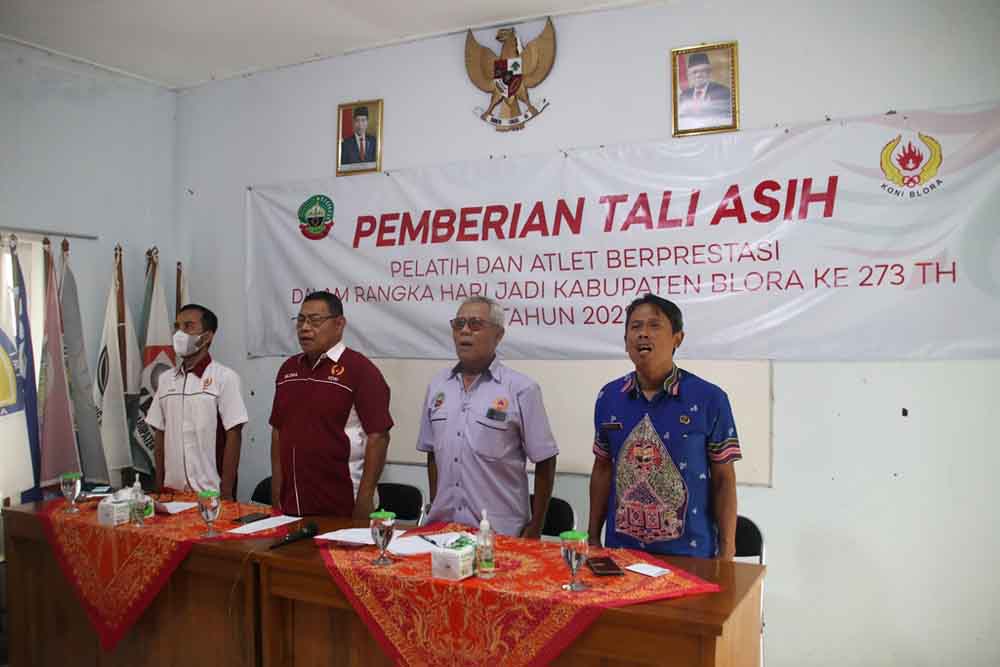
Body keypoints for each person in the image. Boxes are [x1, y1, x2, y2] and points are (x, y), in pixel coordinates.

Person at [588, 294, 740, 559]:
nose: (643, 334)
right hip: (621, 554)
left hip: (690, 556)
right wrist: (592, 537)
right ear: (625, 341)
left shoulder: (709, 399)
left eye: (654, 325)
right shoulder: (609, 397)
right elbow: (602, 468)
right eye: (635, 327)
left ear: (677, 338)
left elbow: (724, 480)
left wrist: (727, 552)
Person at [417, 296, 558, 537]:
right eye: (458, 324)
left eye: (475, 324)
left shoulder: (521, 389)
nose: (464, 331)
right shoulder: (438, 386)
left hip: (499, 534)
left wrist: (536, 526)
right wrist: (435, 502)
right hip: (443, 531)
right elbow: (432, 452)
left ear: (498, 335)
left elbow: (545, 459)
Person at [269, 291, 392, 518]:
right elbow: (278, 431)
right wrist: (276, 489)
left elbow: (379, 437)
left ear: (339, 324)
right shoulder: (288, 370)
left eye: (315, 321)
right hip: (292, 504)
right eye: (300, 320)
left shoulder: (360, 370)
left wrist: (365, 499)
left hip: (343, 503)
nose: (305, 328)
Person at [148, 304, 248, 500]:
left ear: (207, 336)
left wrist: (226, 493)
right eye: (177, 327)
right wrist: (159, 486)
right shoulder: (166, 379)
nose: (179, 333)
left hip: (210, 494)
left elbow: (234, 435)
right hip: (171, 494)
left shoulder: (224, 377)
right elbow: (159, 432)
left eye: (188, 326)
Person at [677, 52, 732, 126]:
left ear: (709, 73)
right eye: (694, 72)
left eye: (702, 71)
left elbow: (726, 119)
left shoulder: (723, 92)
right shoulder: (684, 95)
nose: (698, 75)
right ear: (689, 75)